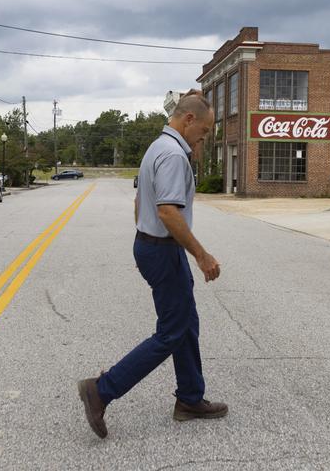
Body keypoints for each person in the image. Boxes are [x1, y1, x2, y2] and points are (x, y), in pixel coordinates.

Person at [78, 93, 226, 439]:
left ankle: (190, 398)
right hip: (163, 249)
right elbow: (168, 211)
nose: (203, 139)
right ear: (188, 120)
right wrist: (201, 256)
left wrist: (145, 241)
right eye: (203, 132)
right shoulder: (174, 155)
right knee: (171, 332)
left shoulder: (159, 146)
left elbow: (140, 203)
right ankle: (101, 390)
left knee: (185, 323)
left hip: (153, 246)